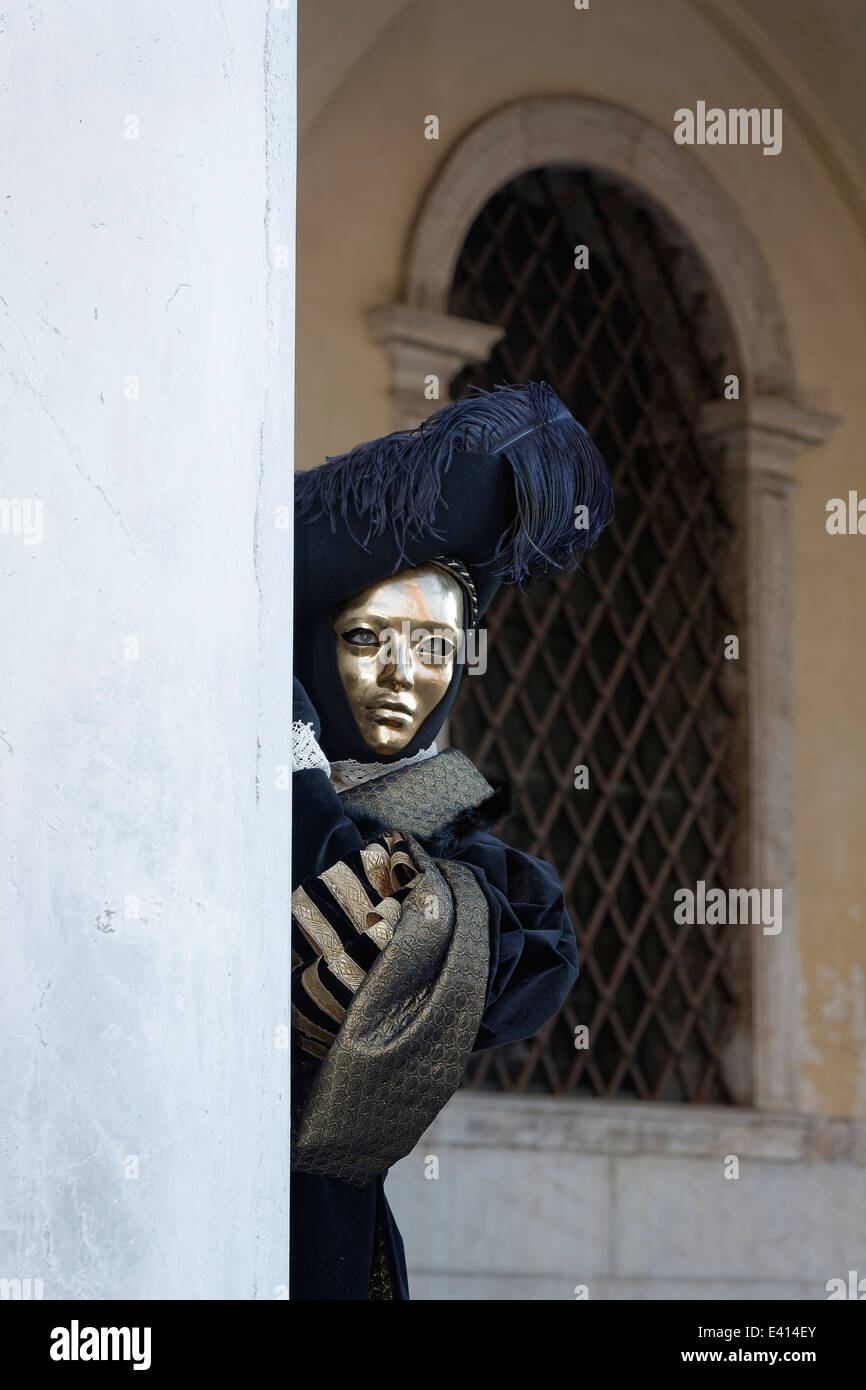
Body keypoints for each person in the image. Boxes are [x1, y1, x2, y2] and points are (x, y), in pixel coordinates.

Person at [290, 381, 613, 1299]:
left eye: (435, 648)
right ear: (315, 646)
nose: (403, 675)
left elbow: (495, 964)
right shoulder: (237, 780)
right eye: (367, 637)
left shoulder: (446, 820)